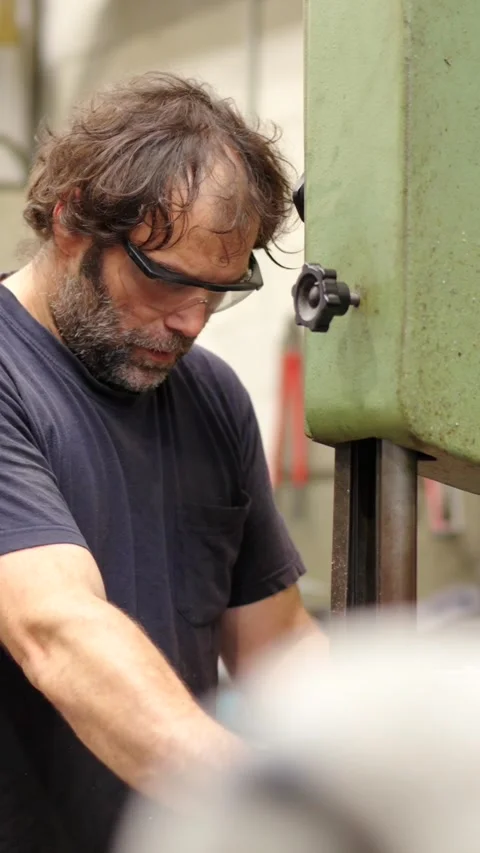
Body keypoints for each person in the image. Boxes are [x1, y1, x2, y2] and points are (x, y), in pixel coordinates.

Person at [0, 72, 323, 853]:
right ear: (74, 220)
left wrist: (363, 770)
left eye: (218, 294)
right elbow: (57, 629)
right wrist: (264, 809)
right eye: (167, 280)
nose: (190, 323)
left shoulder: (211, 399)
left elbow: (275, 647)